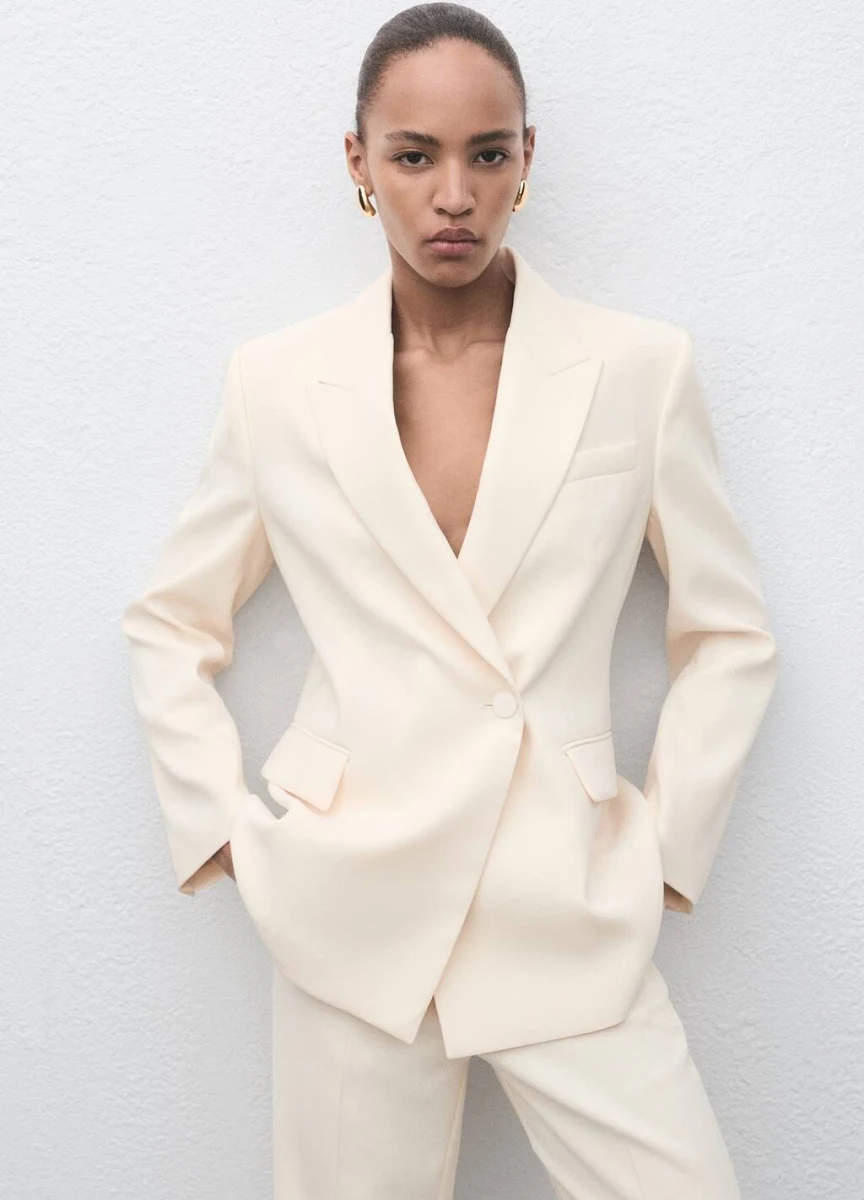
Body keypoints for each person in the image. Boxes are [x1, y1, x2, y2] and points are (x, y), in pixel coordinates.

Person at [121, 4, 780, 1197]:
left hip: (565, 897)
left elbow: (729, 632)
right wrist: (228, 832)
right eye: (414, 156)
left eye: (487, 154)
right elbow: (171, 621)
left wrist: (664, 854)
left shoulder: (639, 371)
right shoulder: (277, 385)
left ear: (528, 157)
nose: (454, 196)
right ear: (359, 162)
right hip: (350, 907)